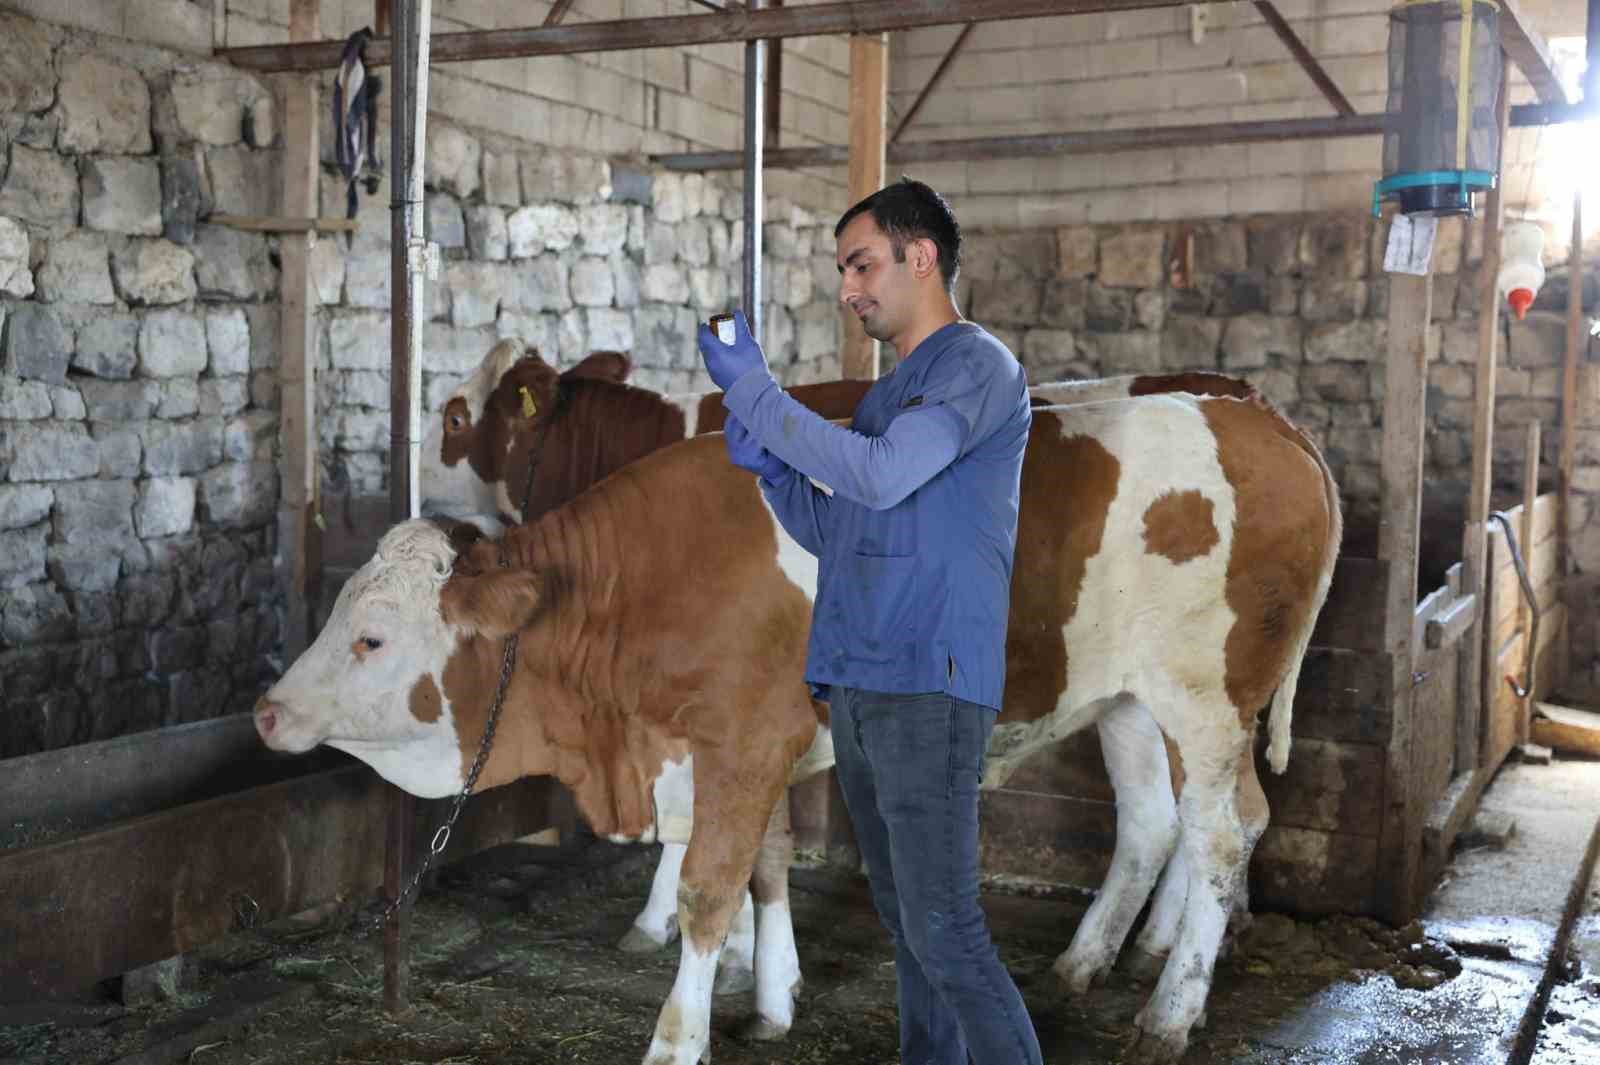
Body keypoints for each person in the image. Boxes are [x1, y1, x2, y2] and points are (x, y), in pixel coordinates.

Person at [696, 178, 1042, 1065]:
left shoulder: (975, 366)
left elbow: (881, 477)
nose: (848, 288)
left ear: (920, 256)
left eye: (862, 265)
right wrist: (775, 469)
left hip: (928, 679)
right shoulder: (892, 398)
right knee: (911, 924)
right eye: (843, 271)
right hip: (862, 677)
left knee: (947, 929)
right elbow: (842, 531)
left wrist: (760, 395)